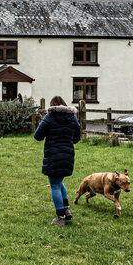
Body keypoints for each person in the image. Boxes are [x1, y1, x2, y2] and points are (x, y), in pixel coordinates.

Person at [33, 95, 81, 226]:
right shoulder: (73, 118)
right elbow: (77, 138)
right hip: (68, 155)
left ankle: (60, 217)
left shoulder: (49, 117)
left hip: (53, 154)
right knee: (59, 182)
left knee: (54, 185)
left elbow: (37, 136)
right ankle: (66, 210)